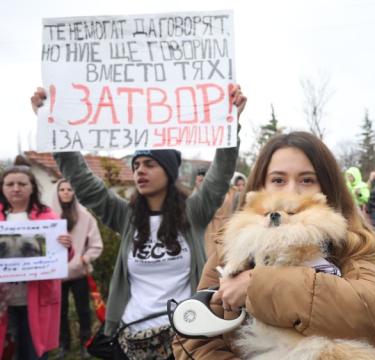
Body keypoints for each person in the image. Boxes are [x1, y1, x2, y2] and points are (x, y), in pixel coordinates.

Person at [31, 86, 246, 359]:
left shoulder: (194, 213)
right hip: (130, 338)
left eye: (149, 164)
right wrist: (53, 125)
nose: (139, 170)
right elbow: (83, 182)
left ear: (169, 172)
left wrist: (230, 121)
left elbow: (220, 173)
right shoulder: (126, 216)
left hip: (184, 336)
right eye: (136, 165)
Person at [172, 131, 375, 359]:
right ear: (261, 186)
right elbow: (194, 341)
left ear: (327, 187)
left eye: (307, 180)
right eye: (278, 180)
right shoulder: (232, 246)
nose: (291, 191)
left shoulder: (356, 243)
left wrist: (257, 286)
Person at [0, 166, 72, 360]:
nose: (16, 188)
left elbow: (62, 258)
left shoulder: (48, 217)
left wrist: (66, 246)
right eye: (10, 184)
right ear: (2, 188)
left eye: (22, 184)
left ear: (32, 188)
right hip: (4, 304)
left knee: (34, 354)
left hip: (38, 299)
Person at [51, 180, 103, 359]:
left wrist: (85, 258)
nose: (65, 192)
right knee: (60, 311)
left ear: (74, 192)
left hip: (79, 272)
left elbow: (96, 245)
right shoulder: (50, 217)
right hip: (56, 274)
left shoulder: (85, 216)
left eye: (69, 189)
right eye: (62, 189)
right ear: (57, 192)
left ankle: (85, 345)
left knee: (83, 310)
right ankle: (64, 345)